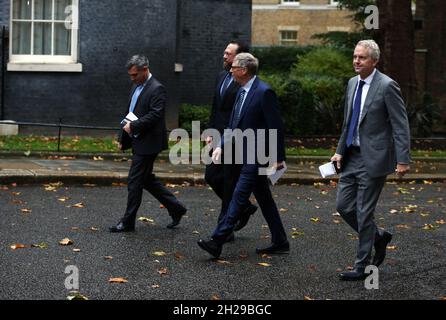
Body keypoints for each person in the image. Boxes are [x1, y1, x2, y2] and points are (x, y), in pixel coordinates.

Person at [331, 40, 411, 280]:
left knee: (364, 212)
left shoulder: (387, 86)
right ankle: (378, 236)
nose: (356, 61)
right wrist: (339, 150)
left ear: (374, 61)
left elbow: (400, 125)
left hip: (374, 159)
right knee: (343, 206)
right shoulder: (352, 83)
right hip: (351, 157)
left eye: (362, 58)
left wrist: (403, 159)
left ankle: (362, 266)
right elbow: (348, 122)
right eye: (355, 56)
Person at [197, 53, 289, 258]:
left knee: (238, 196)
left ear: (244, 70)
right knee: (264, 199)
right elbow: (233, 124)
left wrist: (278, 157)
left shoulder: (264, 92)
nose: (230, 70)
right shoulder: (241, 92)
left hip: (258, 155)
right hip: (243, 152)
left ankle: (217, 240)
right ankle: (281, 241)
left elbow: (276, 126)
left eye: (234, 67)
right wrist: (221, 145)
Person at [109, 55, 187, 233]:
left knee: (134, 180)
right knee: (146, 179)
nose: (132, 78)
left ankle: (128, 222)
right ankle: (176, 208)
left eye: (135, 75)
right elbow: (130, 112)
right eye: (130, 75)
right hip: (137, 139)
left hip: (150, 142)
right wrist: (123, 137)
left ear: (145, 70)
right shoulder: (136, 86)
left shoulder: (157, 88)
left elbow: (155, 115)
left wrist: (133, 126)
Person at [205, 41, 257, 237]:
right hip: (217, 137)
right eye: (224, 52)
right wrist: (209, 132)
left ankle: (224, 230)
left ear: (240, 58)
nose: (224, 56)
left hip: (234, 139)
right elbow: (215, 107)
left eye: (228, 54)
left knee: (229, 183)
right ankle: (243, 207)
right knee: (210, 176)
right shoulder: (221, 76)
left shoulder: (245, 83)